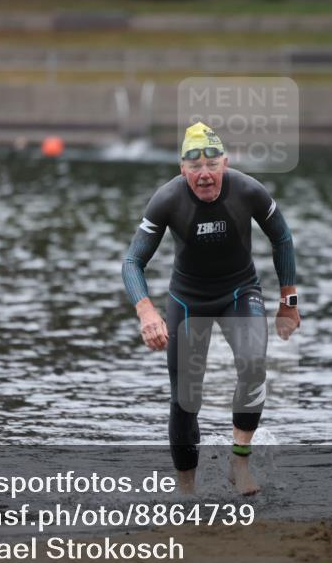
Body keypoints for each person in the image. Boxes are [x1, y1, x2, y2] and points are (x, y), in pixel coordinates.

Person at [121, 122, 300, 495]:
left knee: (253, 366)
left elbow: (281, 238)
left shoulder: (248, 190)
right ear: (182, 170)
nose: (204, 176)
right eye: (195, 168)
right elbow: (132, 262)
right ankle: (186, 490)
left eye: (212, 166)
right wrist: (146, 311)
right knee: (185, 399)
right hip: (188, 300)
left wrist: (289, 303)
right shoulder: (167, 199)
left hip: (240, 293)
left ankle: (240, 460)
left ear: (225, 163)